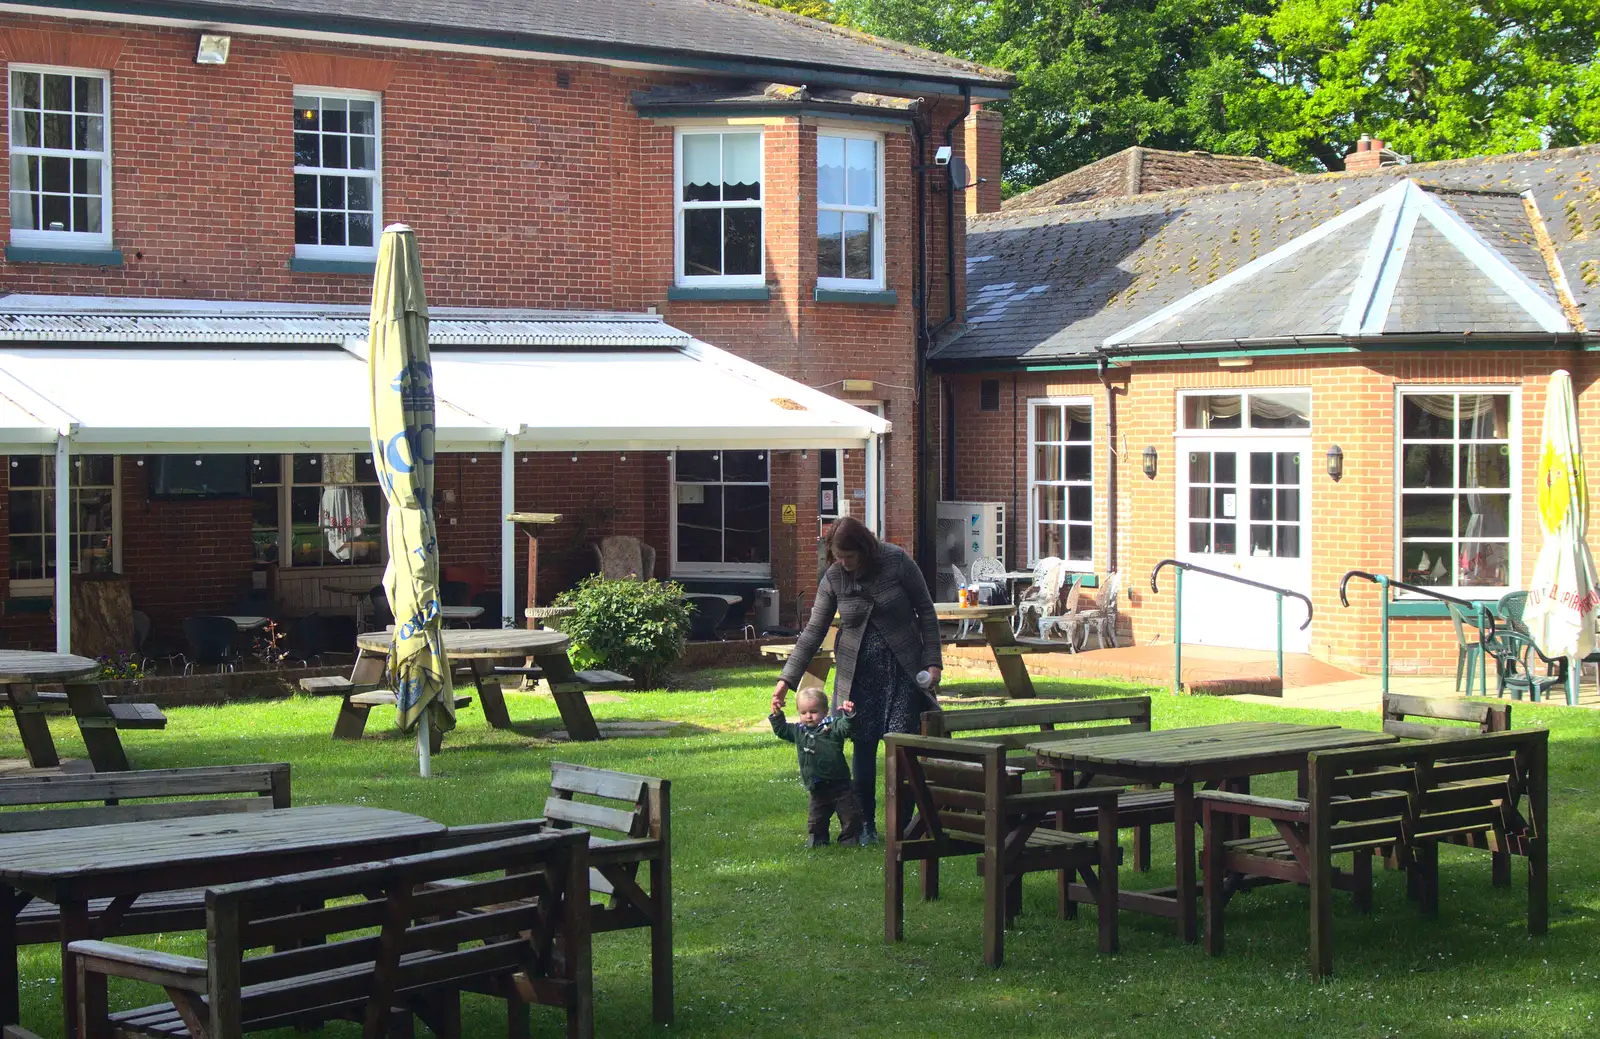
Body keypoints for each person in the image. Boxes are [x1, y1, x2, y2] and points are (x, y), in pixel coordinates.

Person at [774, 516, 941, 845]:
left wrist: (932, 662)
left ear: (864, 549)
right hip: (858, 677)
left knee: (902, 751)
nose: (844, 564)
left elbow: (926, 610)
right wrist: (786, 680)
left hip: (902, 673)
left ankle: (904, 825)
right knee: (862, 750)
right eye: (838, 557)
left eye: (849, 557)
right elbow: (813, 632)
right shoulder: (834, 578)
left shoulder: (896, 561)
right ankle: (865, 826)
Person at [770, 687, 862, 847]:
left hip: (840, 783)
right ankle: (818, 841)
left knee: (849, 814)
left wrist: (848, 715)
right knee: (816, 818)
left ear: (825, 711)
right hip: (816, 785)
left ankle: (849, 840)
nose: (808, 716)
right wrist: (777, 714)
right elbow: (782, 730)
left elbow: (846, 728)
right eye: (803, 712)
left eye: (814, 711)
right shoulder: (799, 731)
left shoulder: (832, 727)